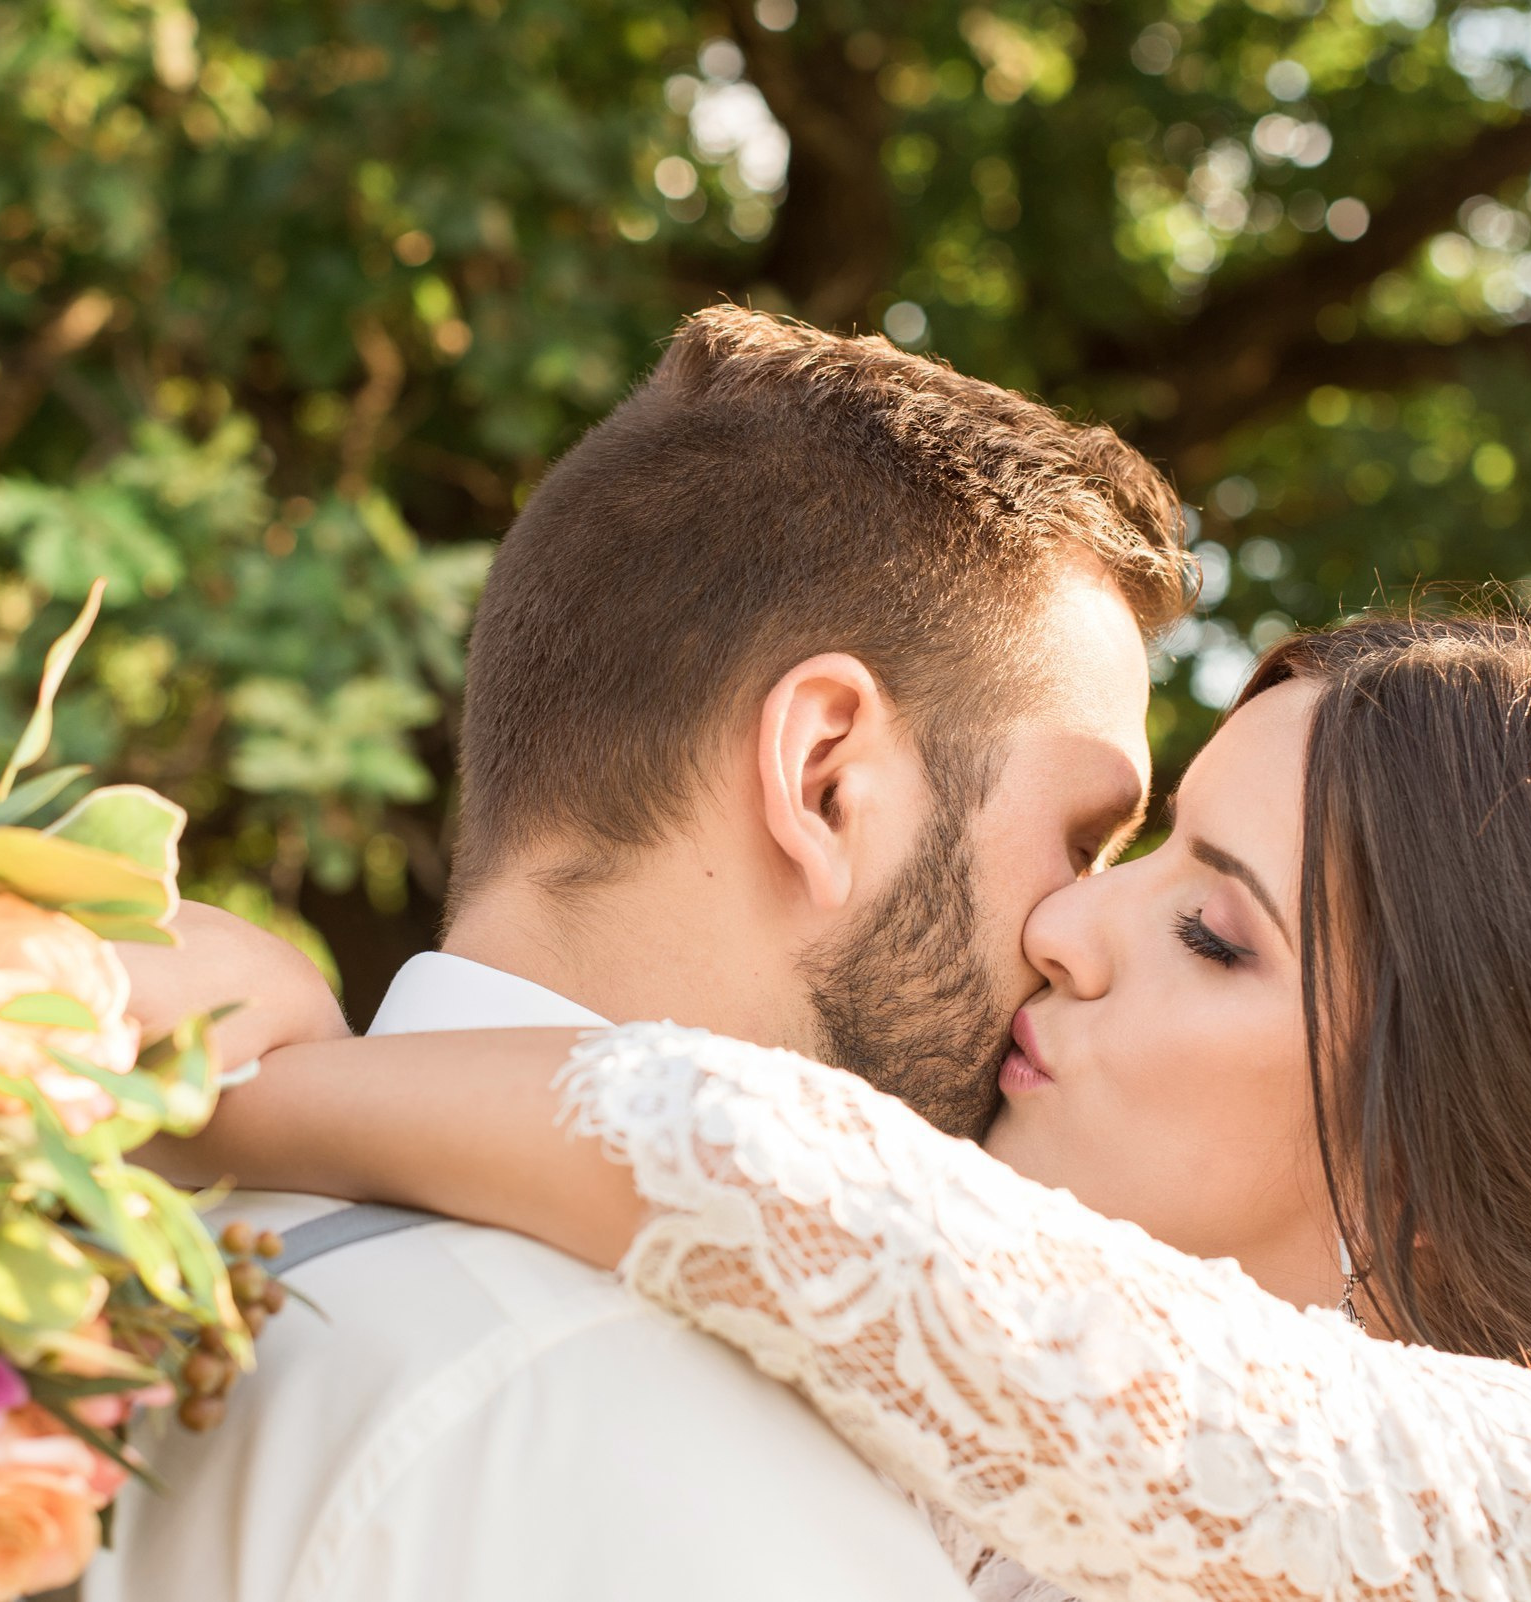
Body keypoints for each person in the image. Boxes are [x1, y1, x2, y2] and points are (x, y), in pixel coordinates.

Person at [140, 614, 1531, 1602]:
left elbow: (775, 1176)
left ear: (1439, 1168)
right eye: (1142, 848)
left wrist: (238, 1086)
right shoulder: (986, 1463)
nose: (1064, 927)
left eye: (1211, 930)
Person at [87, 305, 1194, 1602]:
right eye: (1083, 841)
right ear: (825, 777)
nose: (1081, 930)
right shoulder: (680, 1466)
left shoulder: (75, 1259)